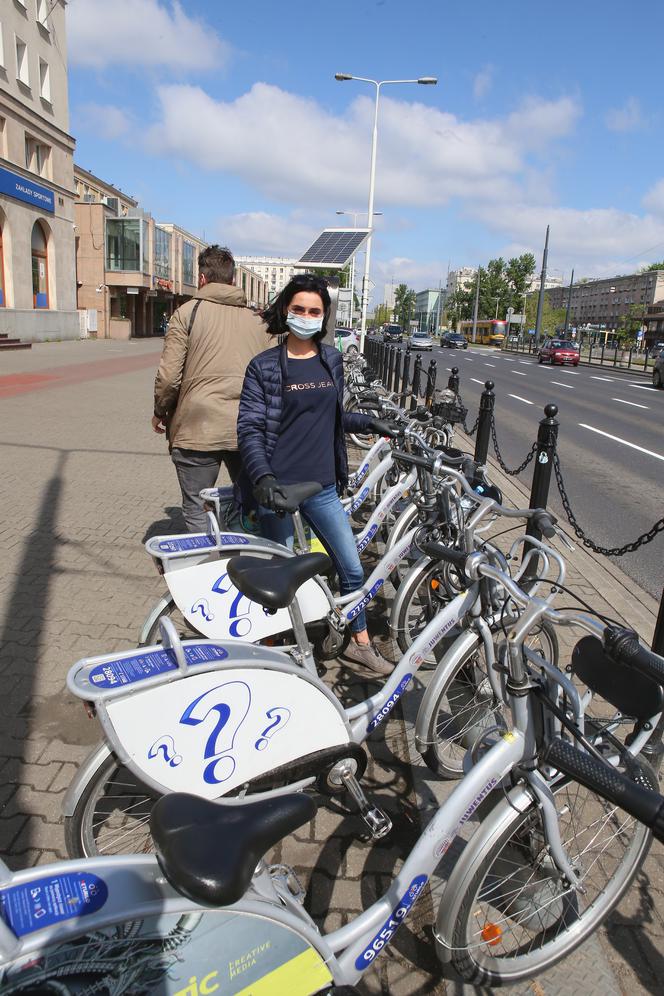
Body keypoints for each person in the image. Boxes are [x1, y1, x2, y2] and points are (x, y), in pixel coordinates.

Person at [237, 273, 397, 675]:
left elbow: (332, 416)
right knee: (280, 581)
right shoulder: (265, 366)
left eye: (314, 311)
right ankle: (275, 651)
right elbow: (250, 428)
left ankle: (358, 642)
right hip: (279, 491)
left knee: (352, 567)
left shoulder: (331, 359)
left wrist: (366, 423)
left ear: (323, 316)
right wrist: (262, 478)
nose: (306, 317)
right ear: (285, 310)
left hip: (323, 485)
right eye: (299, 309)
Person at [152, 246, 268, 532]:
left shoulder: (187, 313)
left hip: (197, 425)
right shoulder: (259, 322)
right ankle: (246, 566)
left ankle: (204, 568)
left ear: (202, 279)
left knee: (196, 506)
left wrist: (160, 410)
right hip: (248, 427)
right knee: (251, 503)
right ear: (232, 280)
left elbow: (169, 377)